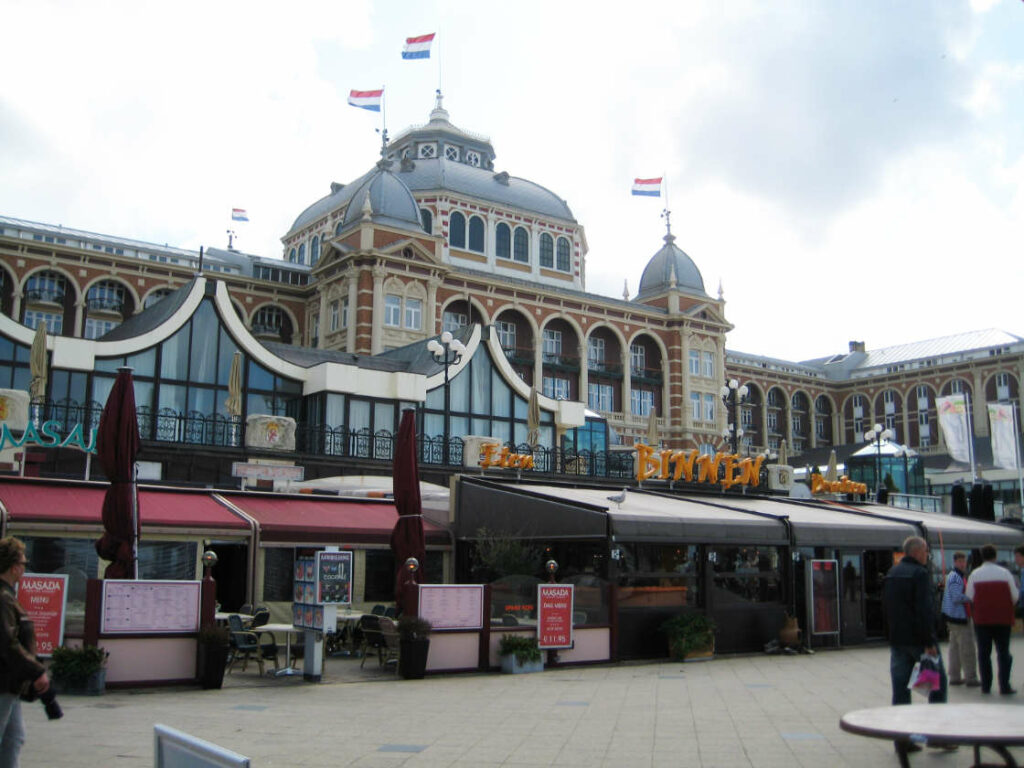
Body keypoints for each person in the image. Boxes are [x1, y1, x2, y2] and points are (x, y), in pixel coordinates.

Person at [0, 536, 50, 766]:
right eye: (23, 563)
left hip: (11, 683)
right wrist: (37, 670)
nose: (24, 568)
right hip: (3, 682)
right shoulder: (3, 599)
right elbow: (7, 643)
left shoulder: (8, 596)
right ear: (13, 566)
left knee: (13, 738)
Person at [965, 543, 1018, 695]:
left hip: (982, 620)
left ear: (982, 556)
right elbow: (1014, 597)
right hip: (1003, 619)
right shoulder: (1005, 573)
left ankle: (986, 686)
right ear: (995, 556)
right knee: (1003, 653)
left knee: (983, 653)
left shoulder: (975, 574)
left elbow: (969, 596)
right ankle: (1004, 685)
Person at [941, 552, 979, 687]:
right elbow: (957, 597)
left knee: (955, 649)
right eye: (960, 561)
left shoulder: (952, 575)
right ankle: (971, 677)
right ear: (955, 562)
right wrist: (972, 597)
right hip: (959, 617)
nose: (963, 564)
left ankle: (955, 676)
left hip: (951, 617)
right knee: (967, 648)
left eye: (964, 561)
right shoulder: (957, 577)